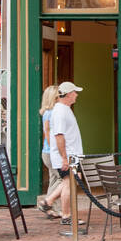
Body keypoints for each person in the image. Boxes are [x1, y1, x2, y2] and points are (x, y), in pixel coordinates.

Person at [50, 81, 85, 231]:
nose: (76, 95)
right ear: (69, 94)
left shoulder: (65, 109)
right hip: (67, 157)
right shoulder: (60, 111)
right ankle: (66, 216)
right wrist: (64, 158)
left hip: (72, 155)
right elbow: (59, 136)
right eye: (75, 92)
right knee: (69, 184)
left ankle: (48, 201)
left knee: (70, 182)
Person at [36, 85, 67, 217]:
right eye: (58, 96)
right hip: (50, 153)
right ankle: (46, 203)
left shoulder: (50, 112)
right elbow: (48, 133)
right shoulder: (50, 113)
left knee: (54, 180)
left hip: (47, 152)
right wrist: (58, 152)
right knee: (65, 180)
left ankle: (49, 209)